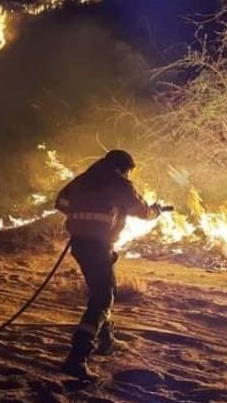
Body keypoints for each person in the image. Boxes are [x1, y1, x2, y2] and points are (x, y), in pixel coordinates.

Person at [55, 149, 164, 380]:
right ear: (123, 167)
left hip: (81, 244)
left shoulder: (84, 179)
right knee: (103, 297)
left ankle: (106, 340)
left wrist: (80, 214)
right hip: (97, 245)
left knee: (103, 290)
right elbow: (142, 211)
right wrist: (156, 211)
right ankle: (77, 357)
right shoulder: (119, 184)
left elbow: (61, 201)